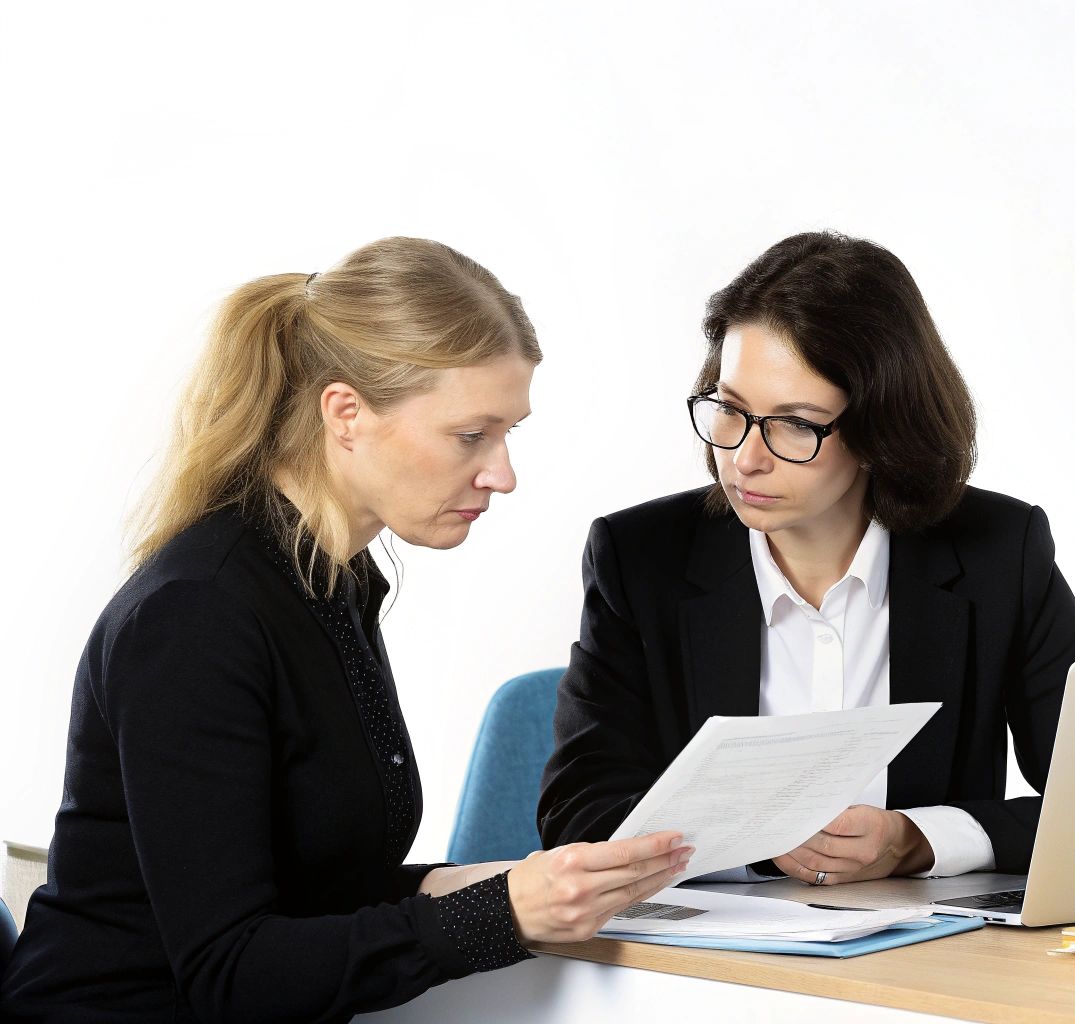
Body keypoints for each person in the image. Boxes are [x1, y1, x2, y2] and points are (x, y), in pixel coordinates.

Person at [0, 238, 692, 1023]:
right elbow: (232, 973)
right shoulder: (197, 614)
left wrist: (498, 885)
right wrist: (500, 914)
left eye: (508, 435)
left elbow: (314, 887)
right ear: (345, 414)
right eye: (472, 435)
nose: (502, 473)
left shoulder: (334, 583)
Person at [538, 231, 1075, 886]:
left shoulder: (998, 550)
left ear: (880, 430)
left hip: (929, 962)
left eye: (795, 424)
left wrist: (919, 839)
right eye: (730, 410)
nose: (746, 457)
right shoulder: (641, 557)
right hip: (706, 969)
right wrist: (758, 839)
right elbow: (577, 816)